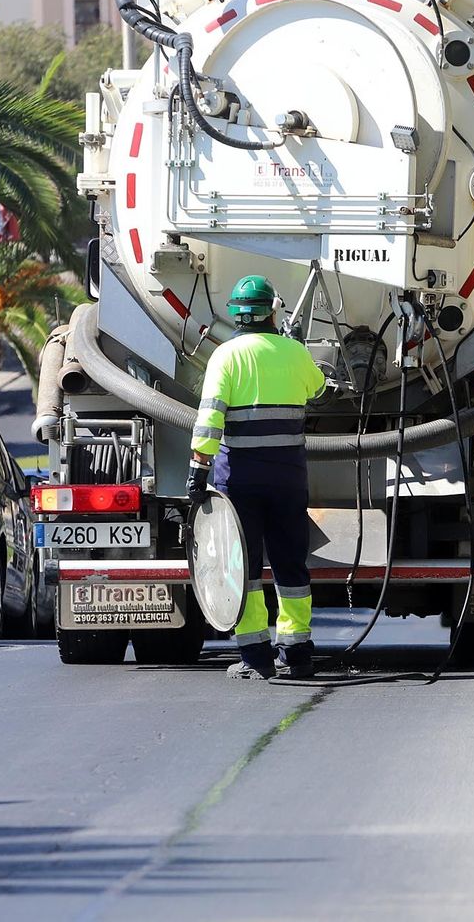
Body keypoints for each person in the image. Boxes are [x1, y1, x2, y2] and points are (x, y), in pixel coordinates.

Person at [188, 275, 325, 680]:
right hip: (288, 479)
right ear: (273, 310)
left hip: (240, 481)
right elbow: (319, 390)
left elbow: (210, 417)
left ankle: (255, 657)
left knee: (243, 567)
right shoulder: (295, 352)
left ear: (235, 313)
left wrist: (198, 469)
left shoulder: (225, 357)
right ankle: (297, 652)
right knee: (290, 564)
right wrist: (293, 350)